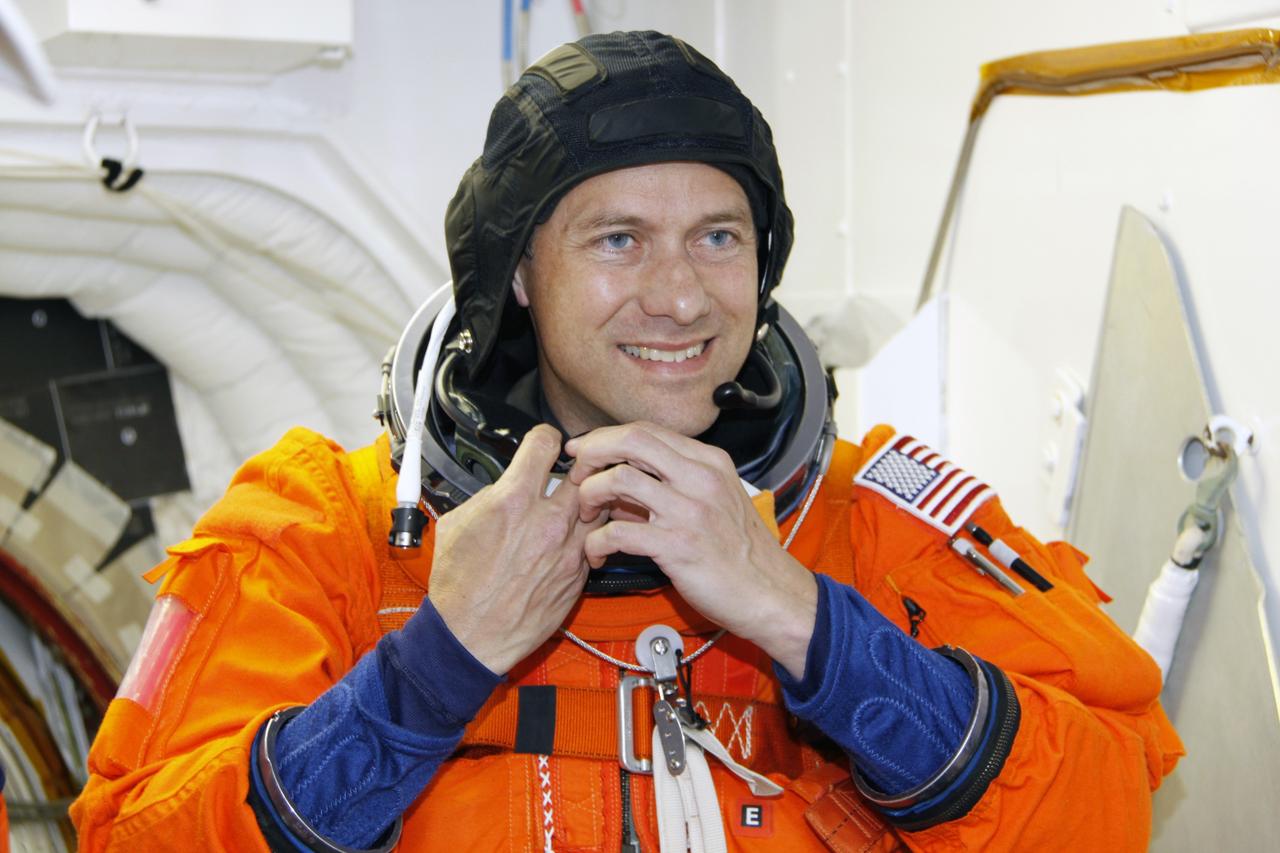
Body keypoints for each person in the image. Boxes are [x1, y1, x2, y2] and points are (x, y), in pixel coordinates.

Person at [71, 30, 1182, 852]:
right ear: (516, 276)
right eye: (617, 240)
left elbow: (1106, 806)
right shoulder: (322, 531)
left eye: (717, 236)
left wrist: (803, 623)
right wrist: (436, 663)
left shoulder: (873, 518)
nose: (678, 295)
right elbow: (132, 839)